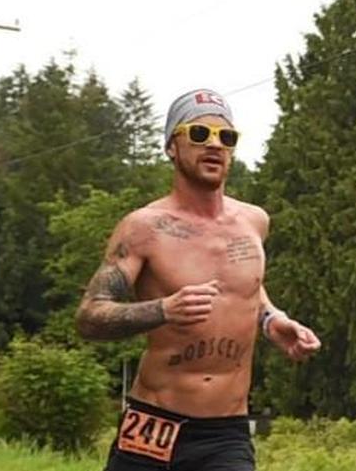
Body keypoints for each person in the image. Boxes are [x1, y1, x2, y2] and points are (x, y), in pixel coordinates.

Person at [77, 88, 321, 471]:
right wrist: (163, 310)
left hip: (227, 434)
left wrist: (272, 319)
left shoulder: (254, 222)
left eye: (226, 137)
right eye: (199, 133)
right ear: (172, 145)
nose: (214, 145)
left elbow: (247, 287)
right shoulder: (144, 228)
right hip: (153, 425)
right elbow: (90, 315)